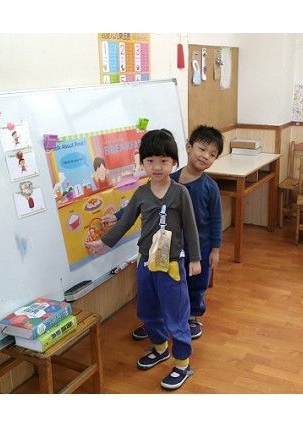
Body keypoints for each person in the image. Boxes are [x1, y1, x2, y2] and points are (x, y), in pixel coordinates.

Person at [85, 129, 201, 391]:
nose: (157, 167)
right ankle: (160, 349)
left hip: (171, 266)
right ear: (142, 163)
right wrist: (104, 242)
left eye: (163, 161)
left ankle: (182, 363)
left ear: (173, 162)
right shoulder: (141, 193)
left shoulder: (180, 193)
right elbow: (124, 223)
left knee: (176, 316)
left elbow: (191, 228)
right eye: (150, 161)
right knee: (147, 311)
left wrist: (195, 259)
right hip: (146, 263)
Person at [103, 125, 224, 341]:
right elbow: (143, 201)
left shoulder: (210, 187)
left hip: (200, 244)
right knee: (165, 285)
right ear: (188, 147)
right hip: (170, 245)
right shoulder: (169, 177)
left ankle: (190, 317)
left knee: (196, 283)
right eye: (202, 149)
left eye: (212, 154)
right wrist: (119, 216)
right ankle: (157, 323)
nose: (206, 156)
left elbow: (216, 220)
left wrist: (215, 249)